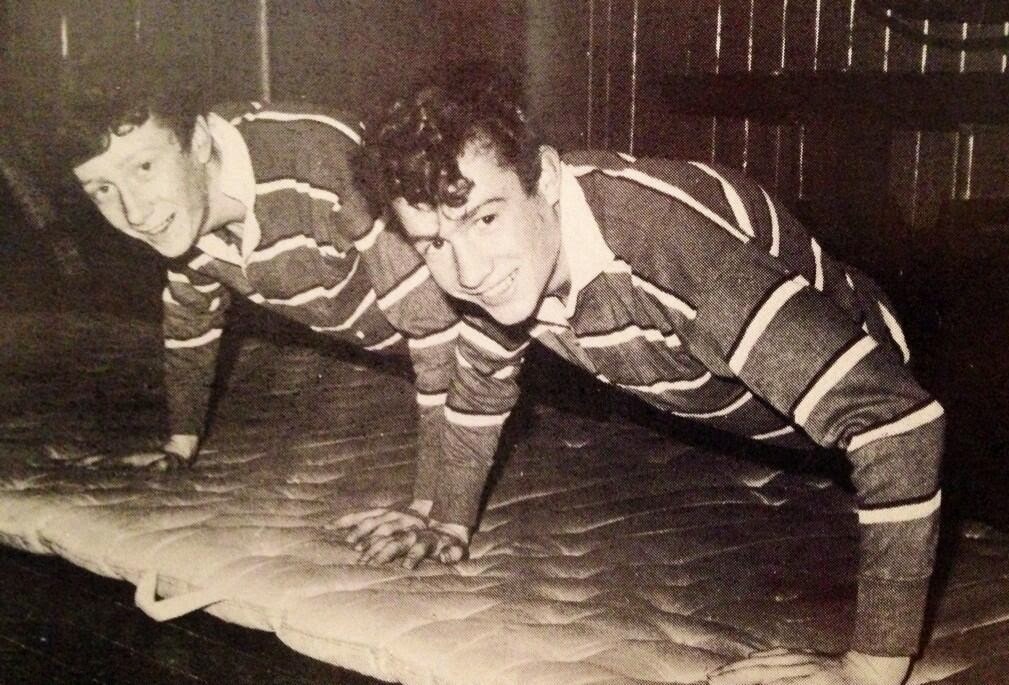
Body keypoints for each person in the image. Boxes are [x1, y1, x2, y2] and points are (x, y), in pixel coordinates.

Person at [359, 68, 946, 685]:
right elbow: (481, 380)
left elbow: (897, 422)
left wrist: (870, 670)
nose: (468, 271)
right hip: (758, 417)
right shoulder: (508, 266)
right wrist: (445, 519)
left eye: (484, 219)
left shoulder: (666, 244)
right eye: (433, 243)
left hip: (886, 372)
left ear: (548, 179)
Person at [56, 52, 460, 525]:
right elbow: (190, 321)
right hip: (426, 352)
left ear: (199, 141)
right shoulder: (181, 215)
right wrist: (180, 445)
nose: (135, 212)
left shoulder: (322, 159)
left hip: (508, 329)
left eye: (144, 167)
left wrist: (434, 504)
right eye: (103, 189)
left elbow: (440, 331)